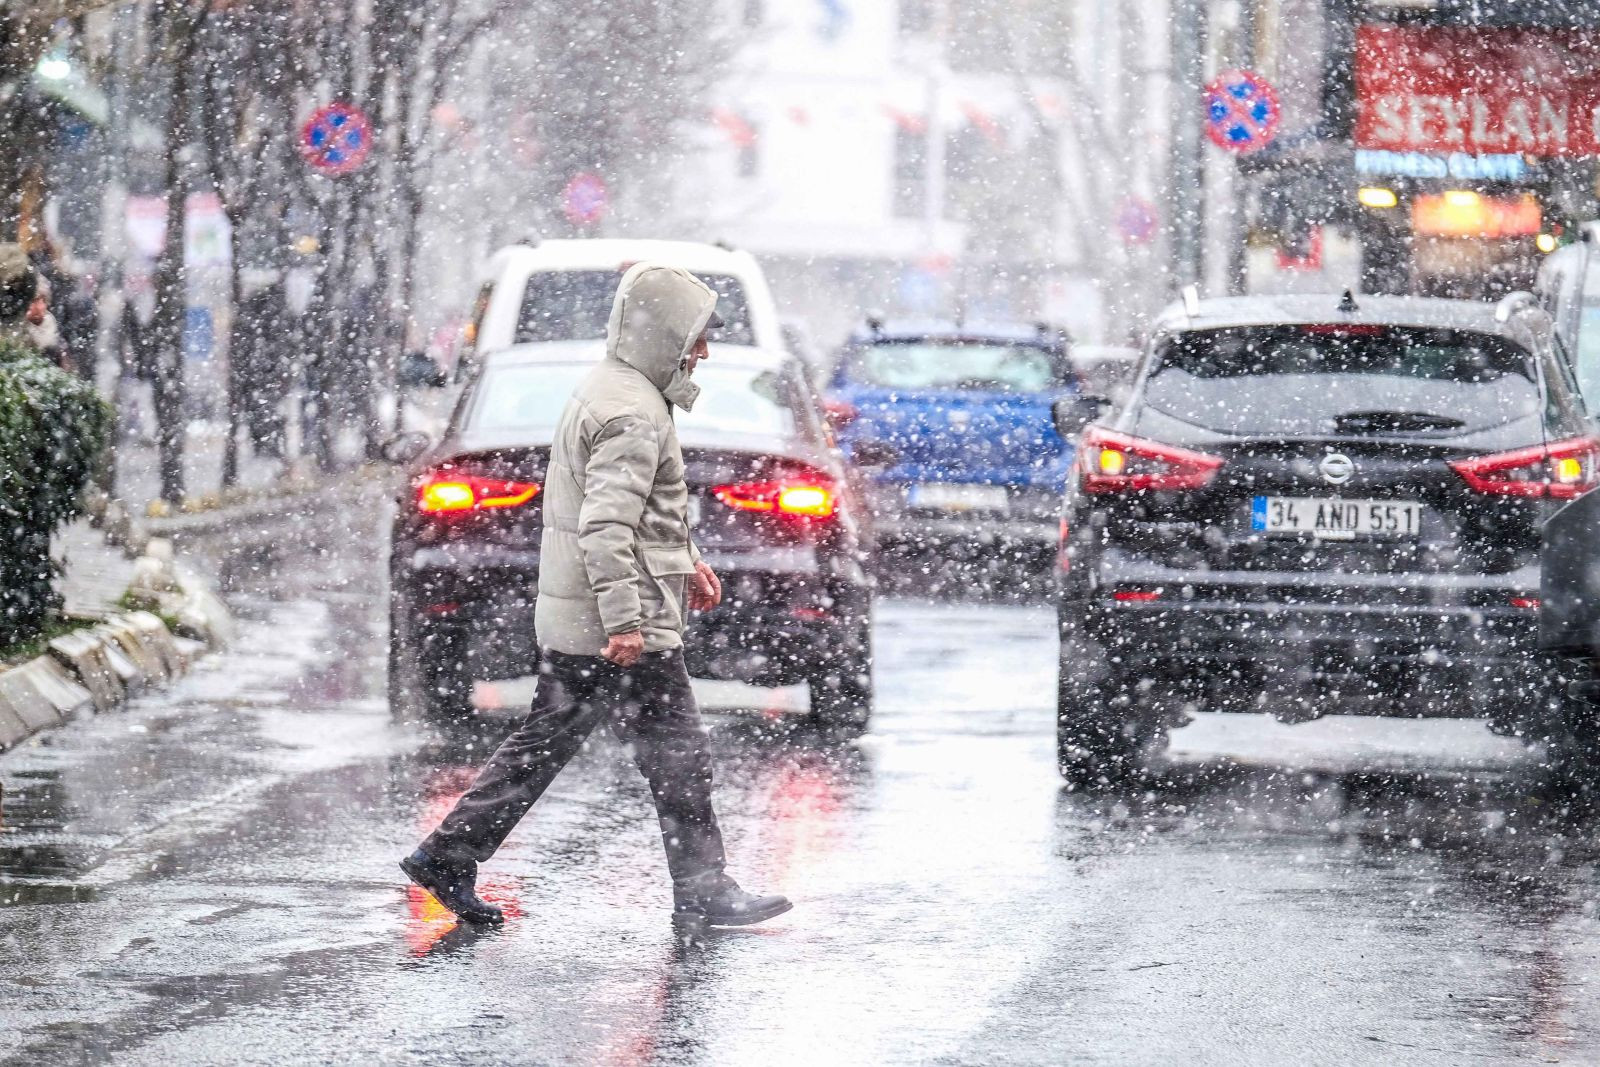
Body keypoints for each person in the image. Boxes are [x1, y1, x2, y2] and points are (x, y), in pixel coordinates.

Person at [400, 263, 792, 929]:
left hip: (595, 615)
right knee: (677, 755)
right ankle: (703, 889)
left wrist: (688, 560)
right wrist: (625, 622)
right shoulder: (632, 411)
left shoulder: (616, 388)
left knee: (552, 742)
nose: (704, 351)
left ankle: (448, 854)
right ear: (664, 335)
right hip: (615, 623)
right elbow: (607, 525)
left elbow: (643, 512)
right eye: (696, 338)